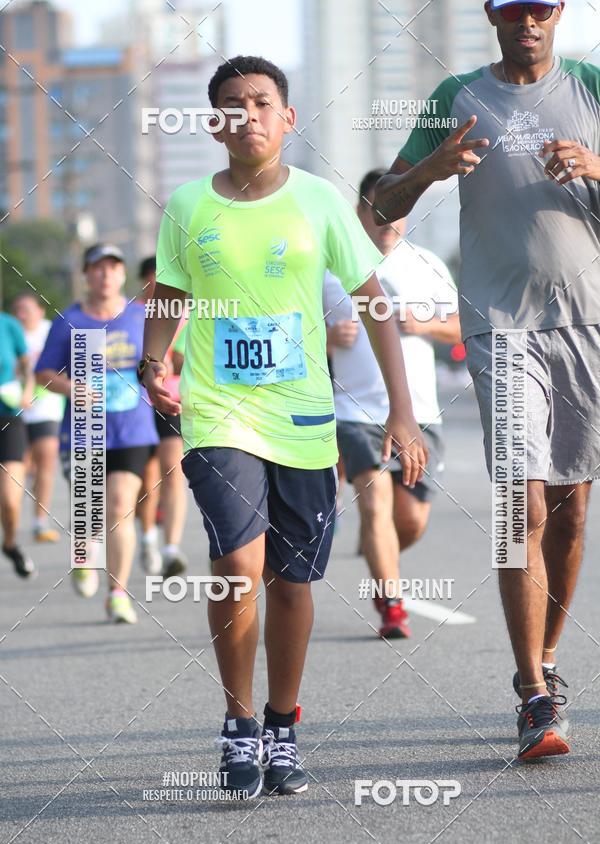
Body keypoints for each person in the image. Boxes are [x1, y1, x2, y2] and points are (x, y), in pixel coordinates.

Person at [141, 55, 427, 798]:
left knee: (294, 582)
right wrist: (153, 362)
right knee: (239, 562)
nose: (248, 114)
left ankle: (281, 723)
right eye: (232, 104)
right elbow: (168, 294)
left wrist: (401, 409)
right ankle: (238, 726)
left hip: (303, 417)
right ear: (215, 124)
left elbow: (374, 302)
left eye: (262, 101)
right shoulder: (187, 206)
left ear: (287, 118)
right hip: (218, 412)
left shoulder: (322, 203)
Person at [375, 0, 600, 760]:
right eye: (513, 10)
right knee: (521, 502)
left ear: (559, 13)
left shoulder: (593, 88)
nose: (526, 21)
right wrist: (429, 170)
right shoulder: (457, 98)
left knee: (569, 512)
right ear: (491, 16)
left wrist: (597, 166)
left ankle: (546, 662)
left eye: (539, 9)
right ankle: (533, 695)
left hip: (587, 323)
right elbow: (380, 203)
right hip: (501, 326)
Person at [324, 168, 460, 639]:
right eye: (379, 209)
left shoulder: (426, 265)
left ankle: (382, 559)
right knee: (375, 502)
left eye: (397, 209)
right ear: (360, 211)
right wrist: (325, 336)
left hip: (421, 413)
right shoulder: (331, 271)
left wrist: (426, 326)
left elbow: (463, 326)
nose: (388, 220)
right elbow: (290, 333)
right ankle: (392, 605)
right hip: (356, 413)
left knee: (411, 519)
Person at [36, 243, 159, 623]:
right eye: (98, 269)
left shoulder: (140, 317)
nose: (105, 275)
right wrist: (73, 388)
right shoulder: (69, 321)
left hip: (132, 428)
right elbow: (44, 374)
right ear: (86, 275)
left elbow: (158, 361)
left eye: (113, 268)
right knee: (89, 515)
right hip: (85, 430)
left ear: (123, 275)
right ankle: (84, 555)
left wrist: (158, 376)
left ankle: (118, 594)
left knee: (120, 507)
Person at [136, 256, 188, 578]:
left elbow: (185, 357)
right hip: (136, 405)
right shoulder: (130, 315)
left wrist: (176, 360)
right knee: (147, 478)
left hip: (171, 400)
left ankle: (171, 548)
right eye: (154, 281)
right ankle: (147, 539)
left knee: (172, 468)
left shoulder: (184, 315)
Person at [11, 292, 64, 543]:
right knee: (17, 467)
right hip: (13, 409)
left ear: (40, 311)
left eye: (27, 309)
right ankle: (11, 517)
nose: (23, 314)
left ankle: (39, 522)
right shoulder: (8, 333)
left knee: (46, 459)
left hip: (47, 408)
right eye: (18, 309)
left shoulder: (49, 331)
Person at [0, 309, 36, 578]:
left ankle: (10, 544)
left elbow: (27, 368)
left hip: (8, 418)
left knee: (10, 500)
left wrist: (26, 390)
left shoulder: (9, 324)